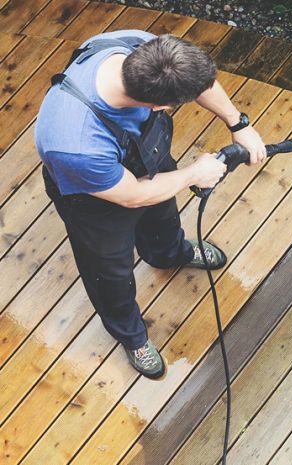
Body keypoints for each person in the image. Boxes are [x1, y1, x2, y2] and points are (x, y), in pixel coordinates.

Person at [34, 29, 267, 380]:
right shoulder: (74, 140)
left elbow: (200, 82)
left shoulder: (143, 50)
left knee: (163, 217)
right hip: (95, 199)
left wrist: (238, 123)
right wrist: (194, 174)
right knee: (109, 271)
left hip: (147, 160)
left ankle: (169, 254)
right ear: (160, 106)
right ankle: (132, 335)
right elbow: (133, 195)